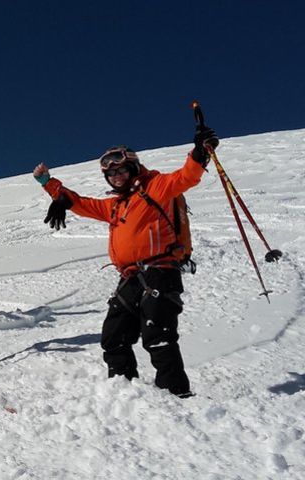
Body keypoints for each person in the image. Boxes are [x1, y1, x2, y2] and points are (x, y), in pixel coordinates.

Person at [32, 126, 219, 397]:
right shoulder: (116, 205)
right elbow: (83, 204)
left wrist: (200, 153)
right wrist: (53, 188)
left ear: (132, 168)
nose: (116, 176)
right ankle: (125, 395)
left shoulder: (154, 188)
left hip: (160, 271)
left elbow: (185, 178)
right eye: (111, 173)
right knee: (113, 337)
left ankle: (178, 396)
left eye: (121, 170)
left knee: (158, 336)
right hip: (130, 277)